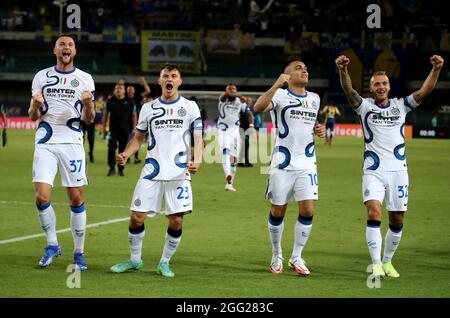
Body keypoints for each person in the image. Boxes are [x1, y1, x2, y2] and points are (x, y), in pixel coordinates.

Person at [335, 54, 444, 279]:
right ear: (371, 87)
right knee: (374, 212)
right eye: (377, 84)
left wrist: (436, 69)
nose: (381, 87)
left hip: (398, 171)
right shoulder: (364, 107)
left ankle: (387, 262)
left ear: (389, 86)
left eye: (384, 83)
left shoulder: (401, 105)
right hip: (373, 171)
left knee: (397, 219)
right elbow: (349, 91)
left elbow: (424, 92)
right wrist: (343, 71)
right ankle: (375, 264)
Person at [110, 64, 203, 277]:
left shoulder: (190, 107)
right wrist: (125, 153)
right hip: (152, 170)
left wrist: (197, 160)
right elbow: (139, 138)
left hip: (179, 172)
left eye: (173, 76)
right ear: (159, 81)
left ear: (179, 81)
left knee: (176, 220)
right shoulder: (148, 108)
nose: (169, 79)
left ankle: (164, 262)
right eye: (165, 76)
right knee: (136, 217)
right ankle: (135, 260)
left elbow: (198, 138)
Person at [28, 34, 95, 271]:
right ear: (54, 50)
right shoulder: (41, 76)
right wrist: (36, 104)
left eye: (70, 45)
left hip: (72, 142)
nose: (66, 48)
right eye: (62, 45)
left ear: (75, 52)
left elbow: (89, 119)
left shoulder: (85, 79)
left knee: (76, 198)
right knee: (42, 197)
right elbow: (33, 115)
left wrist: (88, 104)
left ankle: (78, 252)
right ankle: (52, 244)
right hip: (46, 140)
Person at [254, 56, 325, 276]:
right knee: (278, 210)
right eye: (298, 68)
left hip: (307, 163)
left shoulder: (314, 98)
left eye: (305, 67)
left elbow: (307, 124)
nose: (304, 70)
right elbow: (258, 107)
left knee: (308, 209)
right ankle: (277, 254)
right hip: (282, 164)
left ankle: (297, 256)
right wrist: (277, 84)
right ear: (288, 75)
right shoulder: (281, 95)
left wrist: (317, 129)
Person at [217, 83, 253, 192]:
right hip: (223, 131)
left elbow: (249, 113)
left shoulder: (239, 102)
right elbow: (225, 96)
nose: (232, 90)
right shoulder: (222, 99)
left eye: (234, 89)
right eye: (229, 89)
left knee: (234, 159)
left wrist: (251, 126)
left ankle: (230, 183)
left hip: (235, 132)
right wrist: (233, 94)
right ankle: (227, 174)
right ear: (226, 90)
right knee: (225, 152)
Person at [103, 83, 134, 176]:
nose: (118, 90)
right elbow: (105, 115)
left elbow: (134, 115)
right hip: (113, 129)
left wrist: (134, 128)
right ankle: (111, 168)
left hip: (125, 129)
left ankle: (121, 169)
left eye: (120, 88)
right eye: (116, 88)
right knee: (111, 147)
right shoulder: (110, 101)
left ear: (124, 91)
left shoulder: (129, 101)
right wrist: (104, 127)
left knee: (123, 149)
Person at [238, 96, 255, 167]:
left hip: (245, 128)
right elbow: (250, 115)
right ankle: (245, 161)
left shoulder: (245, 107)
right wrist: (251, 125)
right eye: (247, 100)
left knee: (245, 144)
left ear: (251, 102)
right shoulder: (244, 106)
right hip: (242, 128)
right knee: (246, 143)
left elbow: (250, 116)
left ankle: (241, 161)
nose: (248, 102)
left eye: (249, 100)